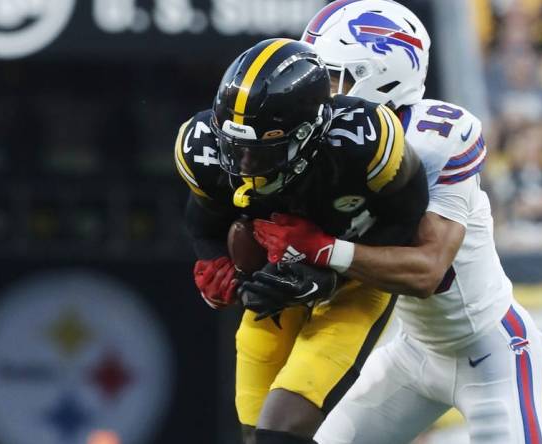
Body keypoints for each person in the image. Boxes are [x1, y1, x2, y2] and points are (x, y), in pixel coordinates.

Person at [251, 1, 542, 443]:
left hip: (491, 353)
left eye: (334, 77)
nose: (320, 93)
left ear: (382, 74)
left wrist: (324, 250)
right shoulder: (330, 146)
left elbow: (428, 269)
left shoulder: (435, 138)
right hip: (414, 352)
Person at [175, 38, 430, 444]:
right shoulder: (202, 147)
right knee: (255, 434)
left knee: (281, 429)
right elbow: (203, 223)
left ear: (310, 132)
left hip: (357, 278)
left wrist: (329, 273)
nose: (243, 165)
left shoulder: (363, 141)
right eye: (235, 148)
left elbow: (406, 223)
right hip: (279, 282)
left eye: (260, 152)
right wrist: (214, 264)